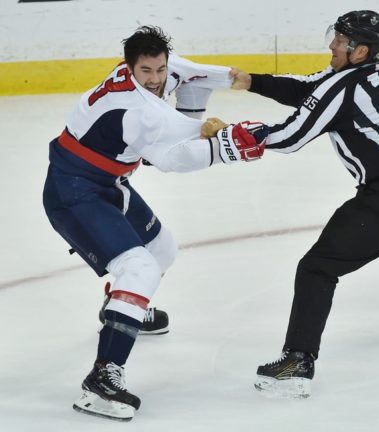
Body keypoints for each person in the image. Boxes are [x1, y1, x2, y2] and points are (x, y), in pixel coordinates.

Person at [231, 10, 379, 399]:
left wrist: (233, 135)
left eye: (340, 40)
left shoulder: (344, 87)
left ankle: (297, 361)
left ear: (360, 51)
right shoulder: (369, 74)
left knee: (317, 268)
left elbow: (291, 136)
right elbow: (309, 89)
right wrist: (253, 82)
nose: (332, 44)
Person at [42, 25, 267, 421]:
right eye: (146, 72)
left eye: (160, 69)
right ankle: (102, 379)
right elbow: (169, 160)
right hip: (73, 190)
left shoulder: (161, 71)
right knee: (140, 267)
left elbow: (194, 72)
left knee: (162, 250)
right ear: (130, 69)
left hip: (109, 181)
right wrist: (223, 149)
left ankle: (121, 311)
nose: (156, 79)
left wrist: (238, 78)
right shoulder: (138, 111)